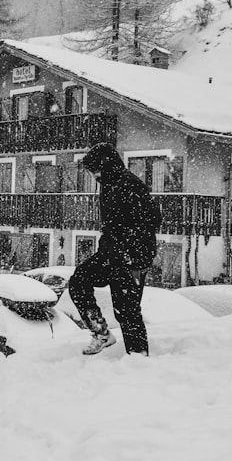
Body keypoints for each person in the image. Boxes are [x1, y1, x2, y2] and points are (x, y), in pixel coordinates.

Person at [68, 143, 161, 356]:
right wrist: (108, 248)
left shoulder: (131, 185)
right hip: (110, 255)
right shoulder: (109, 184)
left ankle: (138, 357)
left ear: (106, 165)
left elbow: (152, 221)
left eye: (96, 170)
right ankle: (101, 333)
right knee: (79, 280)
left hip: (131, 258)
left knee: (127, 312)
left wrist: (130, 252)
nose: (94, 175)